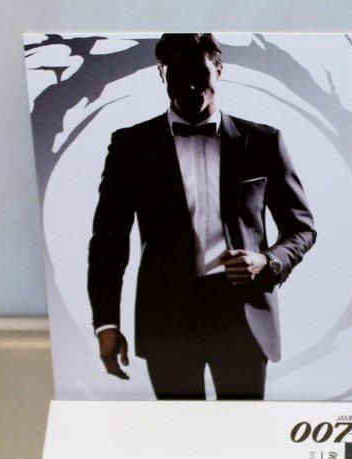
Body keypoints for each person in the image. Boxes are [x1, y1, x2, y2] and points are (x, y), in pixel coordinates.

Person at [87, 33, 316, 399]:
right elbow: (108, 244)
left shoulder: (263, 141)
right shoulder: (131, 146)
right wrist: (106, 323)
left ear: (219, 70)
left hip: (244, 315)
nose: (189, 86)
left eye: (198, 72)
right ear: (161, 75)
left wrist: (266, 261)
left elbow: (301, 229)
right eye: (176, 75)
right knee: (179, 430)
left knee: (244, 427)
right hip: (167, 318)